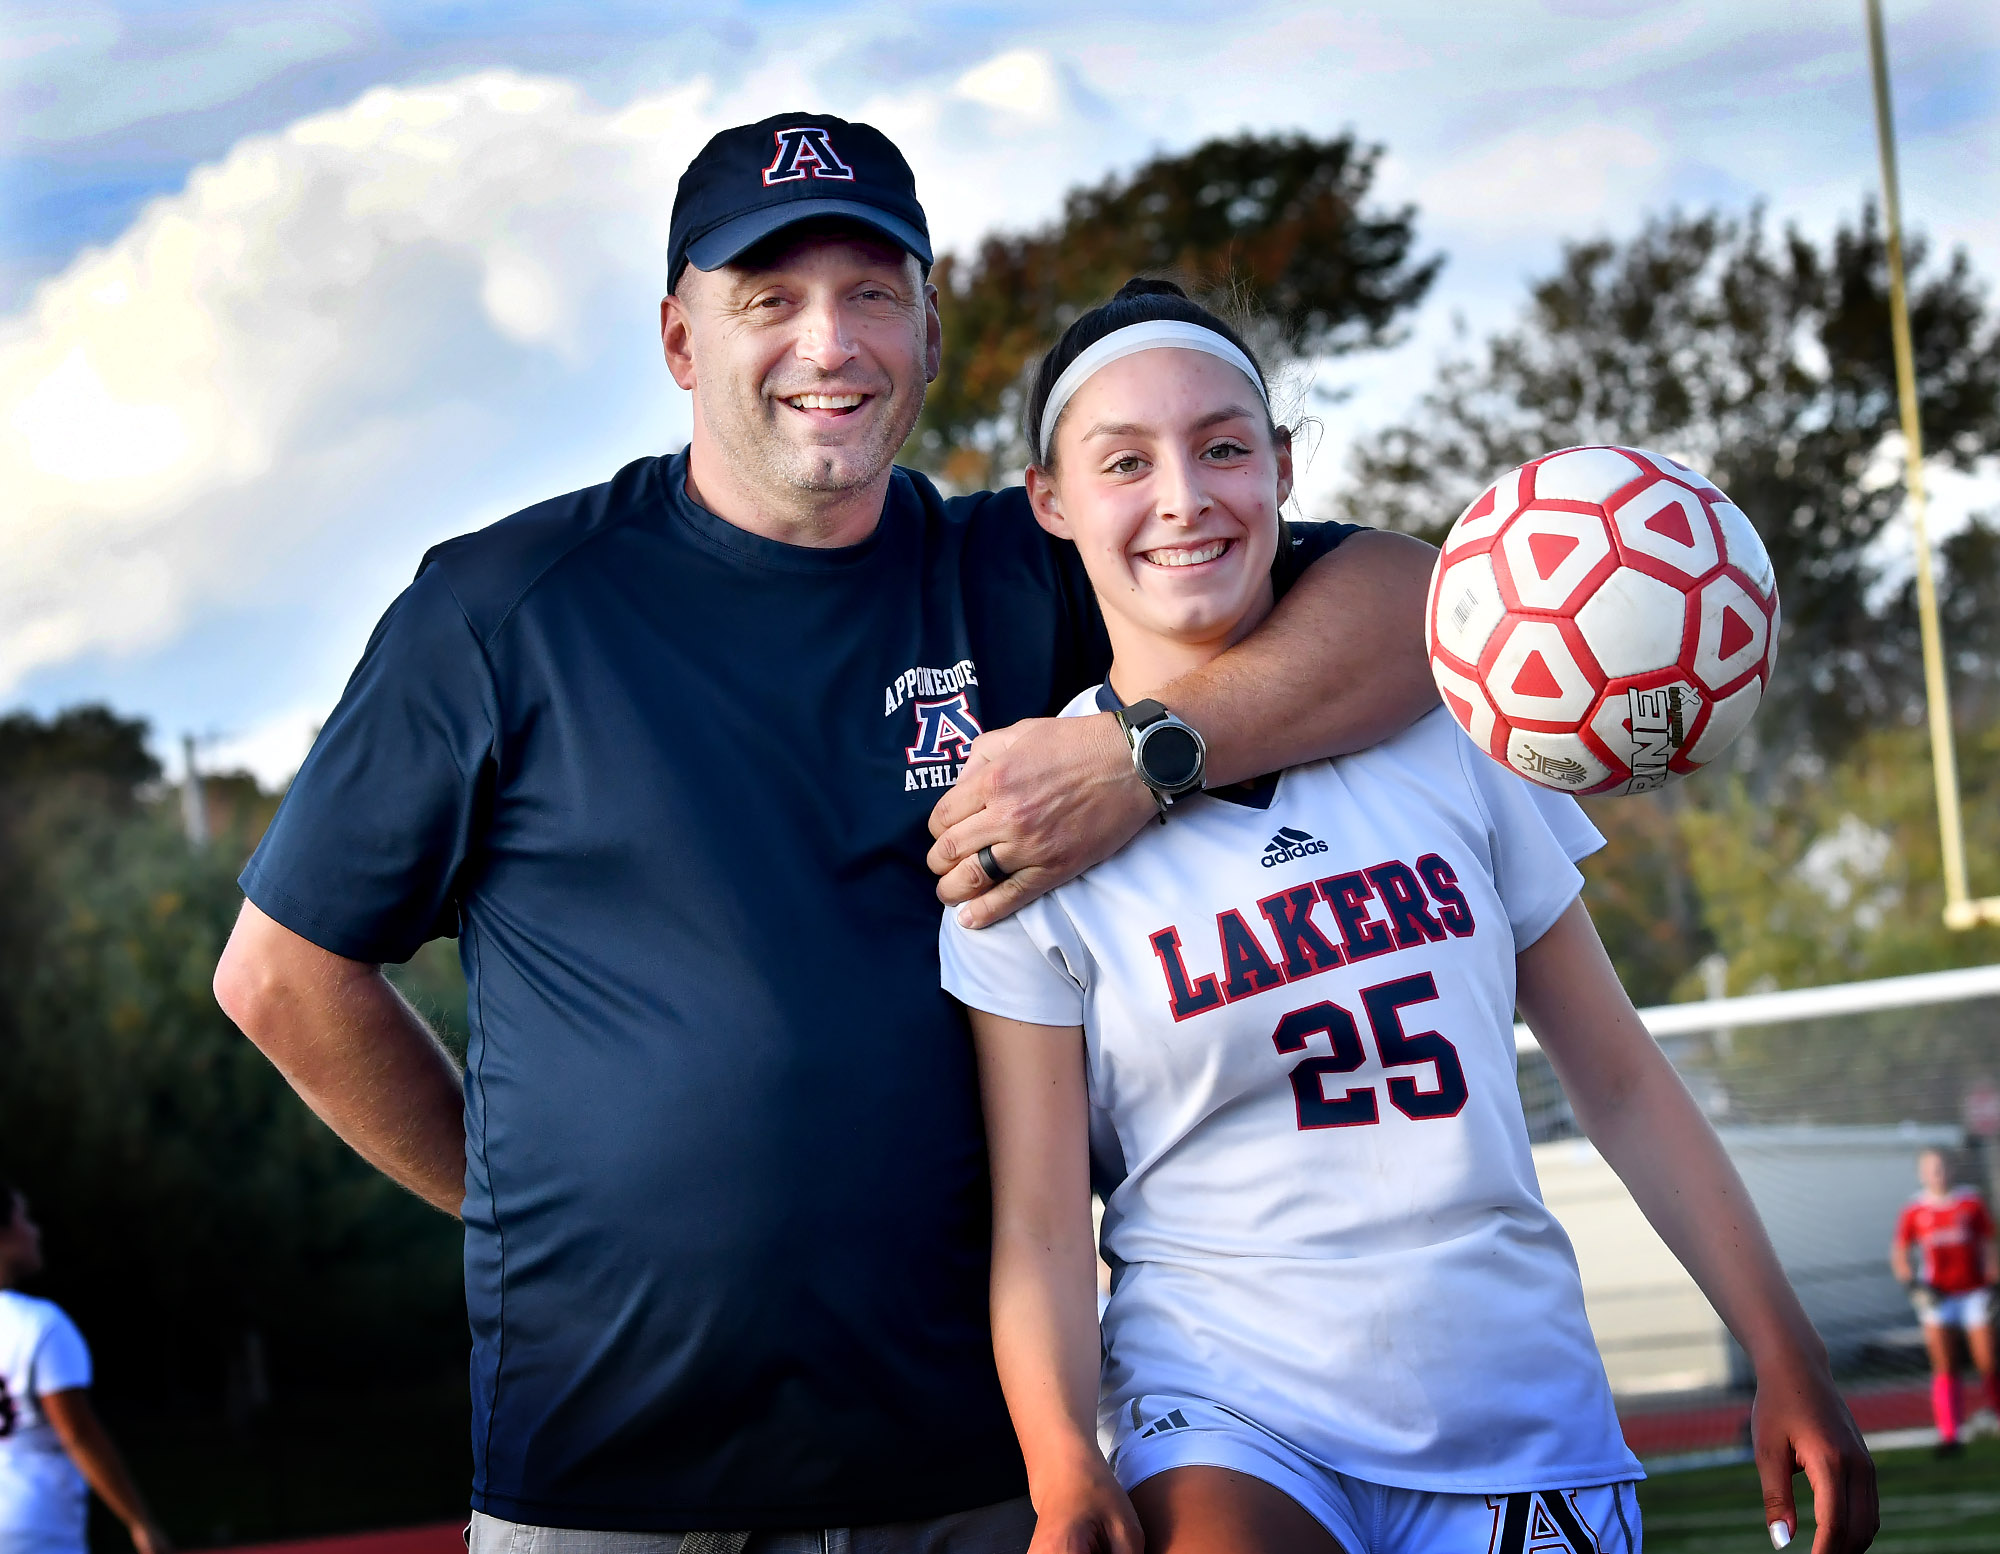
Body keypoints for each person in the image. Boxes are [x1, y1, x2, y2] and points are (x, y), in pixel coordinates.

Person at [211, 114, 1438, 1545]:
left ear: (929, 322)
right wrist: (514, 1208)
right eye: (769, 300)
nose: (830, 343)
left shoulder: (1021, 571)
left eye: (871, 292)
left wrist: (1142, 753)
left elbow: (1415, 605)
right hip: (610, 1474)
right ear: (681, 340)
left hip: (967, 1466)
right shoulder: (503, 612)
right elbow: (281, 976)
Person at [940, 278, 1880, 1554]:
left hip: (1510, 1397)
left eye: (1223, 447)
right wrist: (1061, 1463)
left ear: (1280, 466)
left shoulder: (1453, 727)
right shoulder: (1022, 823)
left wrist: (1780, 1341)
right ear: (1050, 500)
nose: (1183, 496)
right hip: (1225, 1403)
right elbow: (1044, 1219)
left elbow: (1616, 1082)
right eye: (1124, 461)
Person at [0, 1182, 170, 1554]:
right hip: (33, 1523)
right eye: (24, 1219)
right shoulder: (38, 1323)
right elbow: (77, 1433)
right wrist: (139, 1522)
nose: (34, 1230)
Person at [1890, 1148, 1999, 1456]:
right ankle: (1950, 1435)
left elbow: (1988, 1243)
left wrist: (1993, 1283)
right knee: (1945, 1365)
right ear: (1921, 1173)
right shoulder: (1914, 1209)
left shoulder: (1971, 1201)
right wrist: (1913, 1285)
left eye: (1942, 1167)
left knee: (1988, 1360)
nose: (1937, 1173)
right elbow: (1900, 1251)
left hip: (1974, 1292)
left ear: (1952, 1169)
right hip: (1937, 1297)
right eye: (1930, 1168)